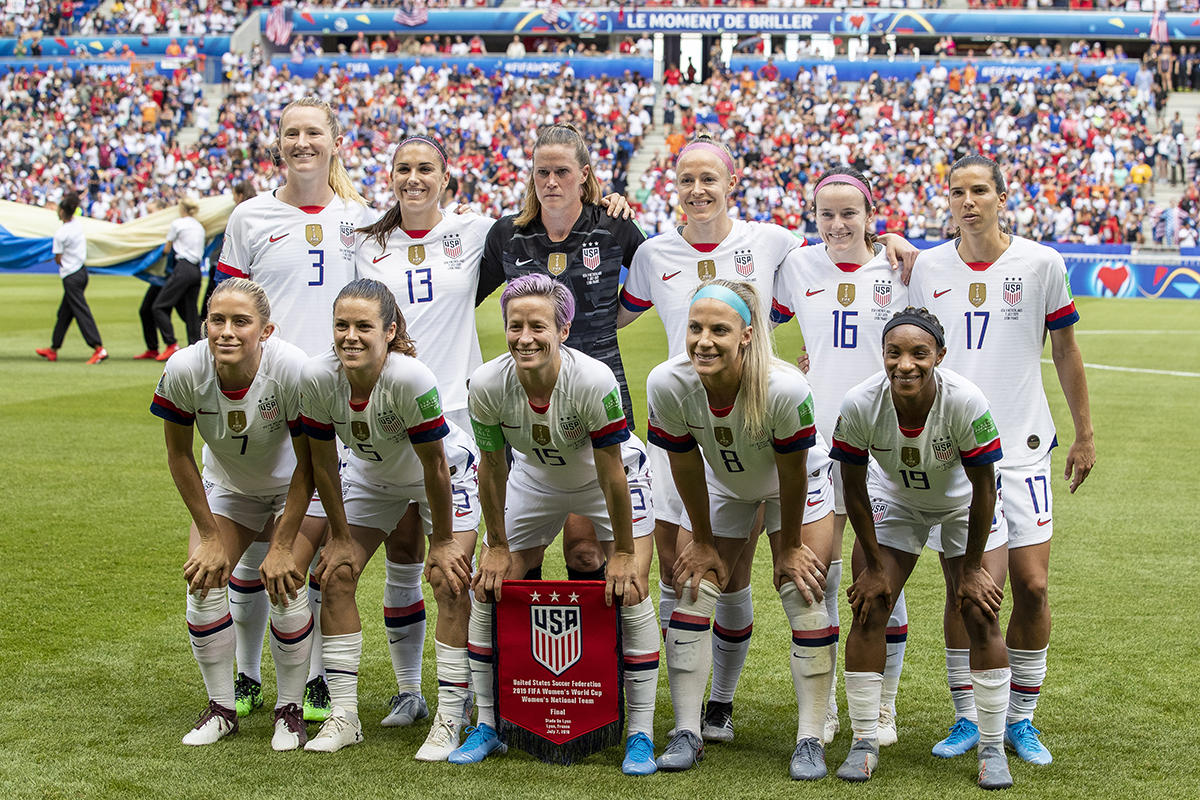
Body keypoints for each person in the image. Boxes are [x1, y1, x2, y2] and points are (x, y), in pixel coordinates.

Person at [618, 145, 916, 745]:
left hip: (787, 429)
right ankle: (707, 710)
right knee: (697, 578)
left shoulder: (775, 244)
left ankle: (864, 703)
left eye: (710, 178)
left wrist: (889, 235)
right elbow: (611, 314)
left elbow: (845, 242)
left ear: (733, 183)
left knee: (858, 570)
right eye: (687, 179)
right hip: (696, 429)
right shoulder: (656, 254)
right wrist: (608, 213)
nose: (698, 189)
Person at [908, 155, 1095, 766]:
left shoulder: (1041, 263)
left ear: (1002, 196)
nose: (968, 202)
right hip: (954, 455)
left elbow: (1065, 351)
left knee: (1033, 588)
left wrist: (1084, 434)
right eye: (957, 192)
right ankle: (968, 716)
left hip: (1023, 451)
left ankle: (1021, 718)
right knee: (967, 592)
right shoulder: (929, 267)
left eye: (979, 190)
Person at [452, 275, 659, 775]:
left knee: (630, 587)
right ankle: (488, 724)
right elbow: (493, 467)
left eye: (538, 326)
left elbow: (611, 473)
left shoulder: (592, 379)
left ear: (563, 330)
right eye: (515, 325)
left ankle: (642, 733)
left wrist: (626, 553)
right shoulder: (486, 383)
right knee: (489, 583)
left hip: (602, 476)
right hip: (535, 477)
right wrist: (496, 545)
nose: (525, 337)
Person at [263, 278, 479, 755]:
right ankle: (344, 716)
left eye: (364, 326)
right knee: (336, 574)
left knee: (449, 578)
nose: (350, 336)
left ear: (390, 331)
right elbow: (321, 463)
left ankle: (449, 716)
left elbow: (436, 466)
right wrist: (339, 536)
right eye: (341, 325)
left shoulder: (410, 378)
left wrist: (442, 540)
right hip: (370, 478)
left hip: (444, 477)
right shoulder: (316, 377)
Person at [217, 97, 373, 725]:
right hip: (264, 396)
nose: (303, 142)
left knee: (306, 543)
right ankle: (249, 673)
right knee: (257, 550)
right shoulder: (250, 216)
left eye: (314, 132)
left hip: (332, 398)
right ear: (278, 144)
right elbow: (227, 299)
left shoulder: (362, 219)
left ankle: (310, 678)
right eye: (291, 134)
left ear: (335, 142)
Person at [646, 279, 834, 778]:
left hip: (794, 483)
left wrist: (789, 546)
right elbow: (685, 465)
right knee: (692, 586)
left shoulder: (784, 387)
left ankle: (810, 737)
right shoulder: (668, 382)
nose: (703, 340)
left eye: (719, 330)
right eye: (695, 328)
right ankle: (688, 730)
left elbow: (790, 473)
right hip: (725, 483)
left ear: (746, 335)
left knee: (804, 590)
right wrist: (704, 541)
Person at [830, 307, 1012, 790]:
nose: (905, 364)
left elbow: (985, 488)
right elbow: (853, 488)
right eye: (894, 353)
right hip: (897, 503)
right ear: (883, 354)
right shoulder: (860, 402)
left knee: (979, 608)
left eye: (919, 353)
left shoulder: (965, 401)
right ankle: (864, 741)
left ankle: (992, 748)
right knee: (871, 605)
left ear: (940, 356)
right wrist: (871, 564)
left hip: (964, 506)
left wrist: (971, 569)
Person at [354, 134, 496, 734]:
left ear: (446, 178)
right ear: (390, 177)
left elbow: (549, 214)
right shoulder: (363, 239)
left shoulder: (478, 231)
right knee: (404, 551)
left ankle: (462, 694)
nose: (413, 178)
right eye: (403, 169)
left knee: (452, 565)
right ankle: (410, 692)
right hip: (388, 418)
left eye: (425, 169)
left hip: (457, 417)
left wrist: (607, 198)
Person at [770, 167, 914, 747]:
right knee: (820, 580)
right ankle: (824, 705)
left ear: (869, 215)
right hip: (818, 442)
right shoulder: (797, 266)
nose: (837, 224)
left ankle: (882, 706)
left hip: (885, 448)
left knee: (883, 580)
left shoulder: (902, 267)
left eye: (848, 213)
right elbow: (755, 316)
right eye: (826, 214)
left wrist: (900, 241)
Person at [474, 123, 643, 589]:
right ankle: (526, 647)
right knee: (515, 547)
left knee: (586, 550)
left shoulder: (614, 227)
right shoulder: (508, 235)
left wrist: (617, 317)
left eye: (562, 172)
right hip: (525, 396)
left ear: (584, 176)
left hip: (599, 391)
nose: (551, 182)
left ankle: (590, 653)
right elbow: (459, 296)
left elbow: (658, 282)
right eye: (542, 172)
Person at [150, 278, 315, 750]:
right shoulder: (184, 368)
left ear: (266, 330)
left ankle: (290, 709)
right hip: (229, 488)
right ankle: (222, 707)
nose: (226, 331)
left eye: (241, 321)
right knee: (203, 580)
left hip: (296, 488)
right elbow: (179, 455)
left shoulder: (291, 369)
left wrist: (282, 544)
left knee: (285, 580)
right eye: (216, 320)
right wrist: (209, 535)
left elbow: (310, 463)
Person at [36, 192, 106, 365]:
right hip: (81, 272)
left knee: (80, 311)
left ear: (61, 212)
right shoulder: (77, 225)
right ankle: (53, 348)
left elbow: (58, 258)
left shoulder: (61, 233)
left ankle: (98, 347)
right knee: (64, 313)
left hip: (71, 275)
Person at [151, 197, 207, 362]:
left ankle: (171, 343)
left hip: (183, 267)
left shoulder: (178, 224)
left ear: (181, 209)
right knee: (191, 312)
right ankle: (198, 348)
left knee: (159, 306)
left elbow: (167, 249)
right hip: (196, 271)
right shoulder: (200, 227)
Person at [199, 181, 255, 319]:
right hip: (247, 269)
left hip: (229, 266)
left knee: (214, 310)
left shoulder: (238, 215)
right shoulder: (257, 211)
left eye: (234, 196)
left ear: (240, 195)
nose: (232, 200)